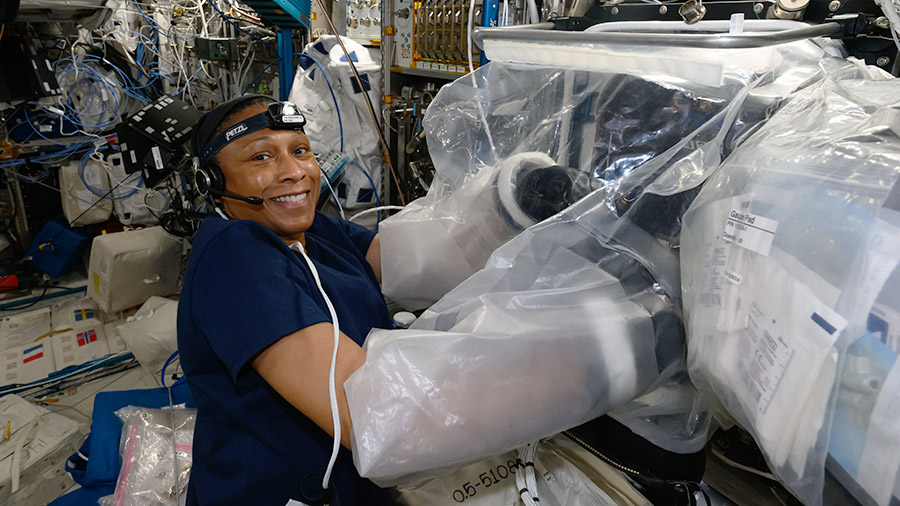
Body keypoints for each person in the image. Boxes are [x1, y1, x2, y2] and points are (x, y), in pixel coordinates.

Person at [177, 95, 393, 506]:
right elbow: (374, 417)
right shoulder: (232, 258)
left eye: (300, 151)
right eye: (261, 157)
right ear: (213, 182)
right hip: (278, 491)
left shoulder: (314, 231)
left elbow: (414, 260)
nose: (295, 172)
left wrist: (508, 201)